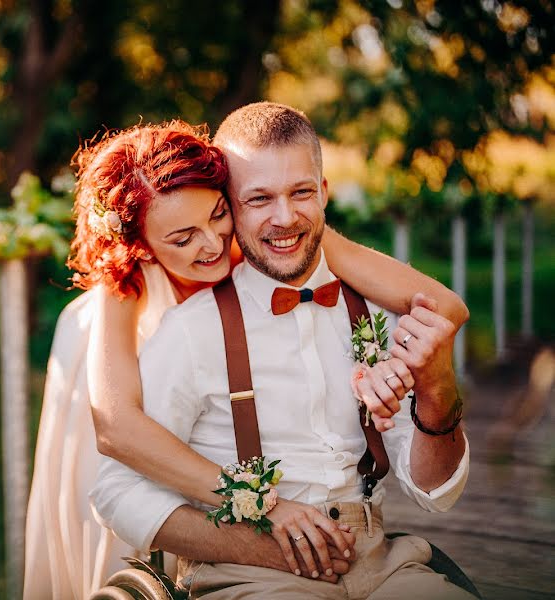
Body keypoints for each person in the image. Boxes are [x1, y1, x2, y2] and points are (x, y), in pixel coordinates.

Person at [24, 118, 469, 599]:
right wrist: (259, 509)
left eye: (218, 214)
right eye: (182, 238)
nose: (213, 244)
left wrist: (399, 373)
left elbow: (444, 308)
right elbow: (115, 431)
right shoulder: (123, 293)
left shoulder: (283, 232)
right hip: (145, 456)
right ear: (143, 247)